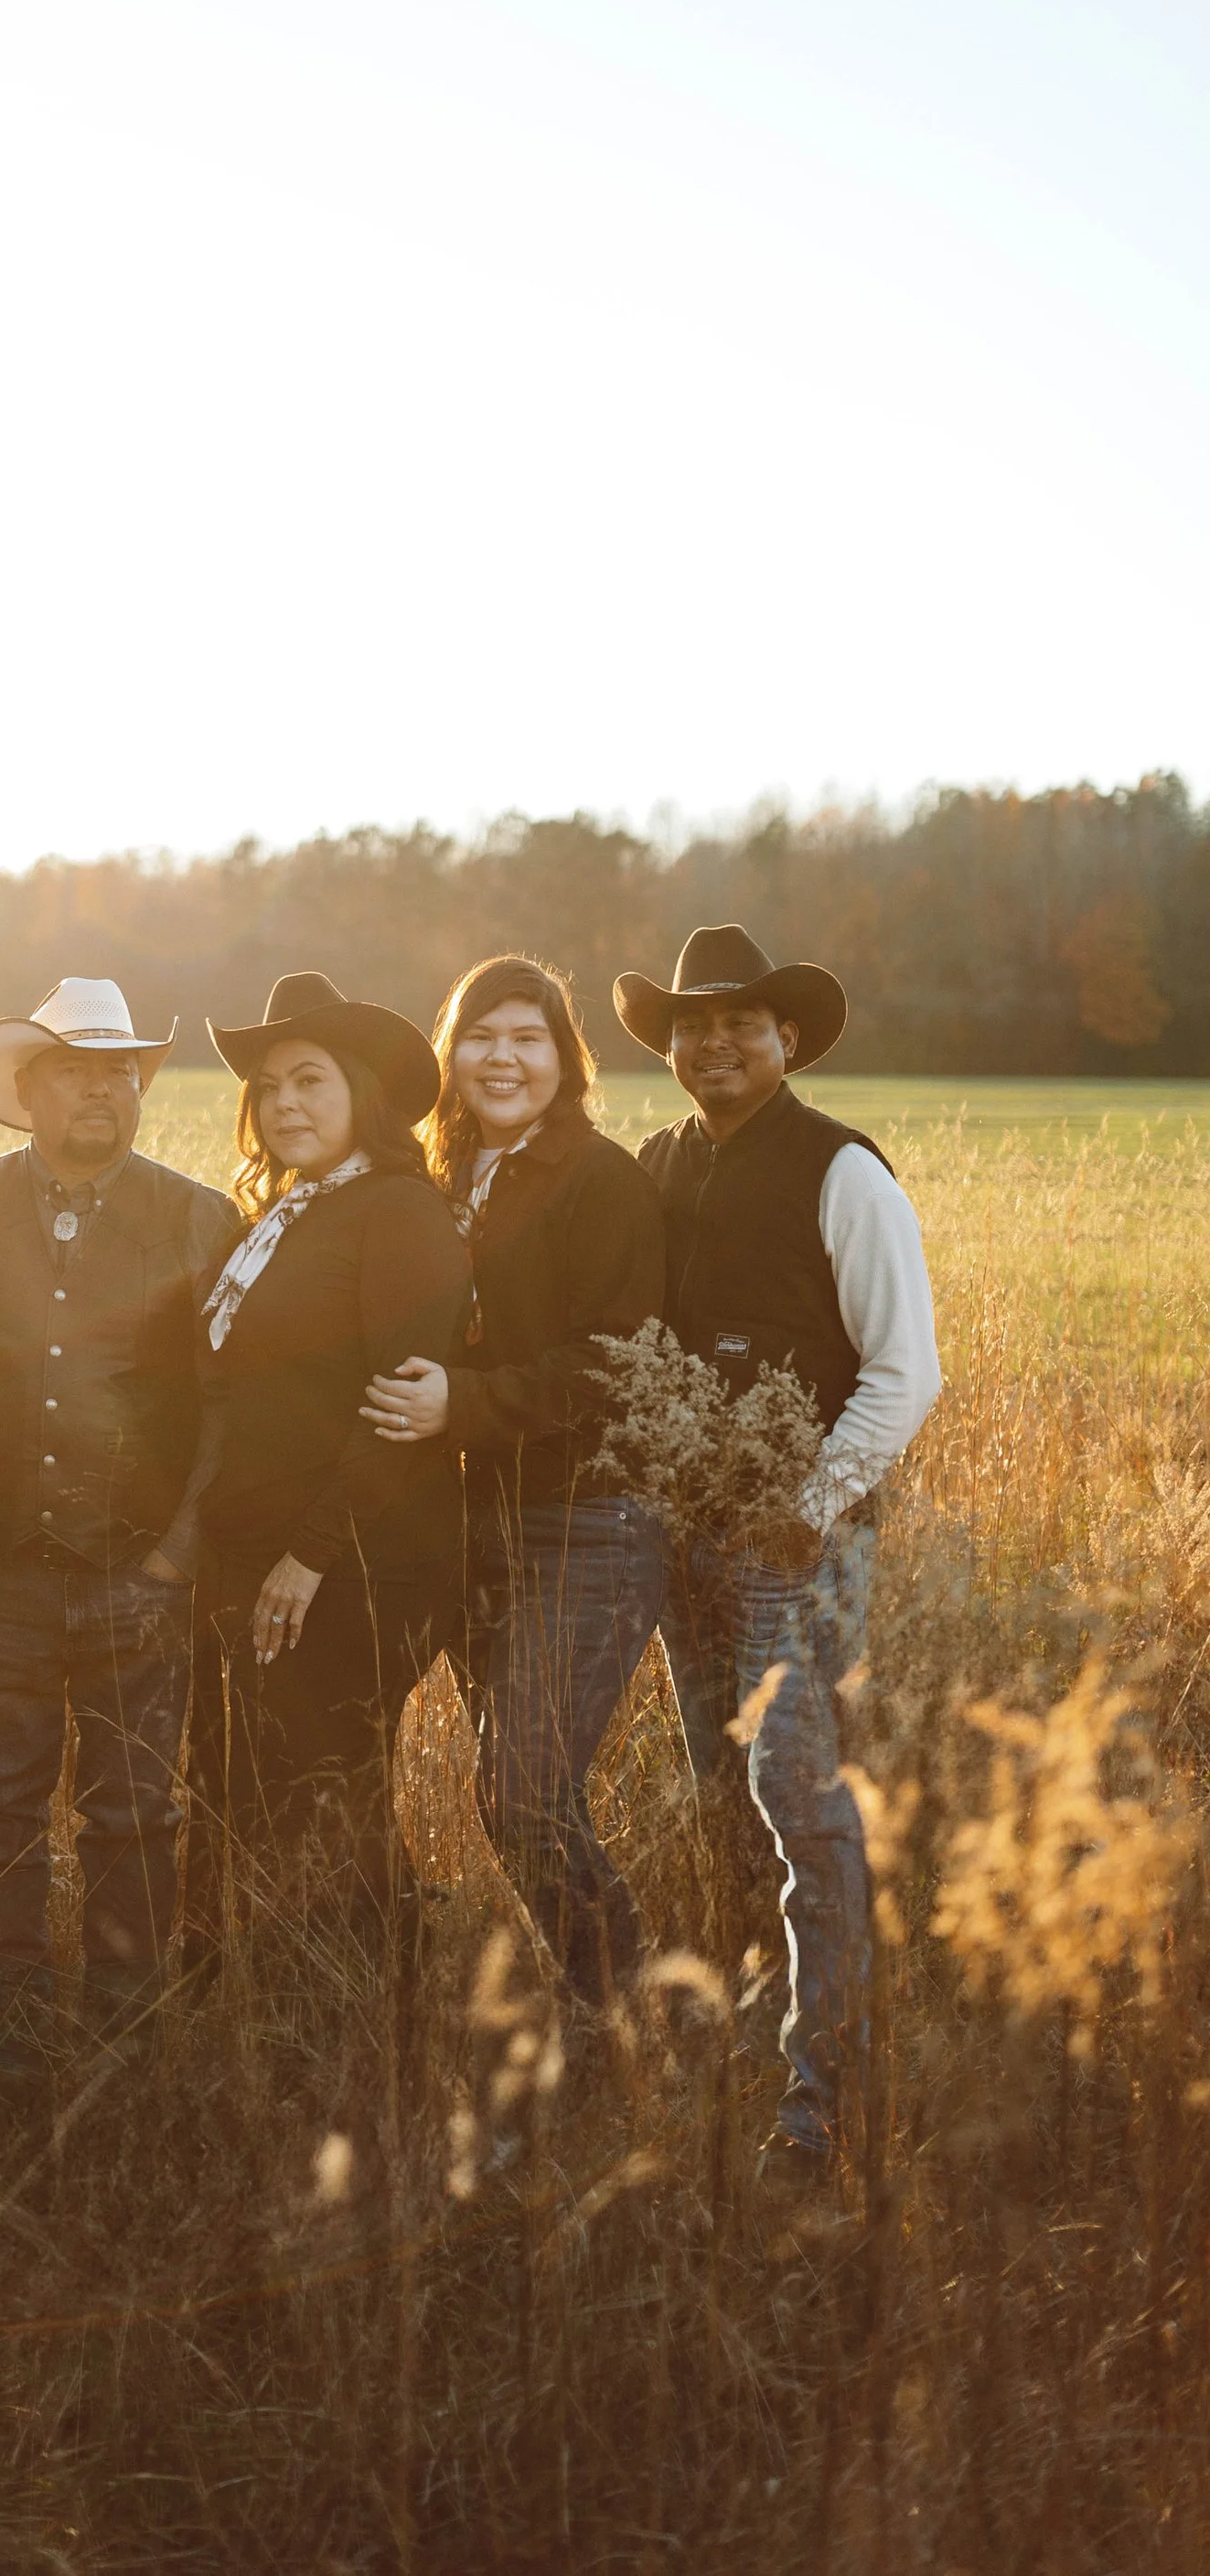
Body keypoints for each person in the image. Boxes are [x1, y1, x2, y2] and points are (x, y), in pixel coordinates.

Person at [614, 922, 940, 2173]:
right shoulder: (656, 1162)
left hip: (799, 1545)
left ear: (785, 1038)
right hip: (686, 1543)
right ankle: (765, 2019)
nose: (711, 1041)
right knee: (724, 1790)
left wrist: (809, 1505)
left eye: (739, 1021)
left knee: (800, 1802)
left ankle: (826, 2093)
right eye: (691, 1025)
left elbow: (908, 1368)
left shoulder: (842, 1169)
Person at [0, 979, 241, 2085]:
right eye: (75, 1068)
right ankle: (3, 2045)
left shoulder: (201, 1217)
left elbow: (228, 1406)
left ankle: (125, 2043)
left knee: (133, 1814)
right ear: (27, 1088)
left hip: (140, 1570)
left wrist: (178, 1553)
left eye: (120, 1069)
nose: (102, 1088)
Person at [359, 955, 666, 2006]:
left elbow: (615, 1361)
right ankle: (599, 2002)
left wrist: (466, 1404)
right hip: (479, 1518)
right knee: (511, 1792)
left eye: (527, 1038)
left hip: (588, 1520)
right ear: (452, 1056)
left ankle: (614, 2013)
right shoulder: (443, 1175)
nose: (502, 1057)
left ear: (564, 1060)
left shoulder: (600, 1179)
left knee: (522, 1785)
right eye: (481, 1036)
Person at [184, 971, 468, 1951]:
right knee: (278, 1794)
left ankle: (359, 2032)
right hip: (267, 1549)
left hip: (355, 1560)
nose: (285, 1104)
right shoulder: (291, 1210)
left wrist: (308, 1556)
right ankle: (287, 2018)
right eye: (268, 1087)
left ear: (363, 1096)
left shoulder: (396, 1211)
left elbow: (396, 1411)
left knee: (324, 1791)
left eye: (310, 1081)